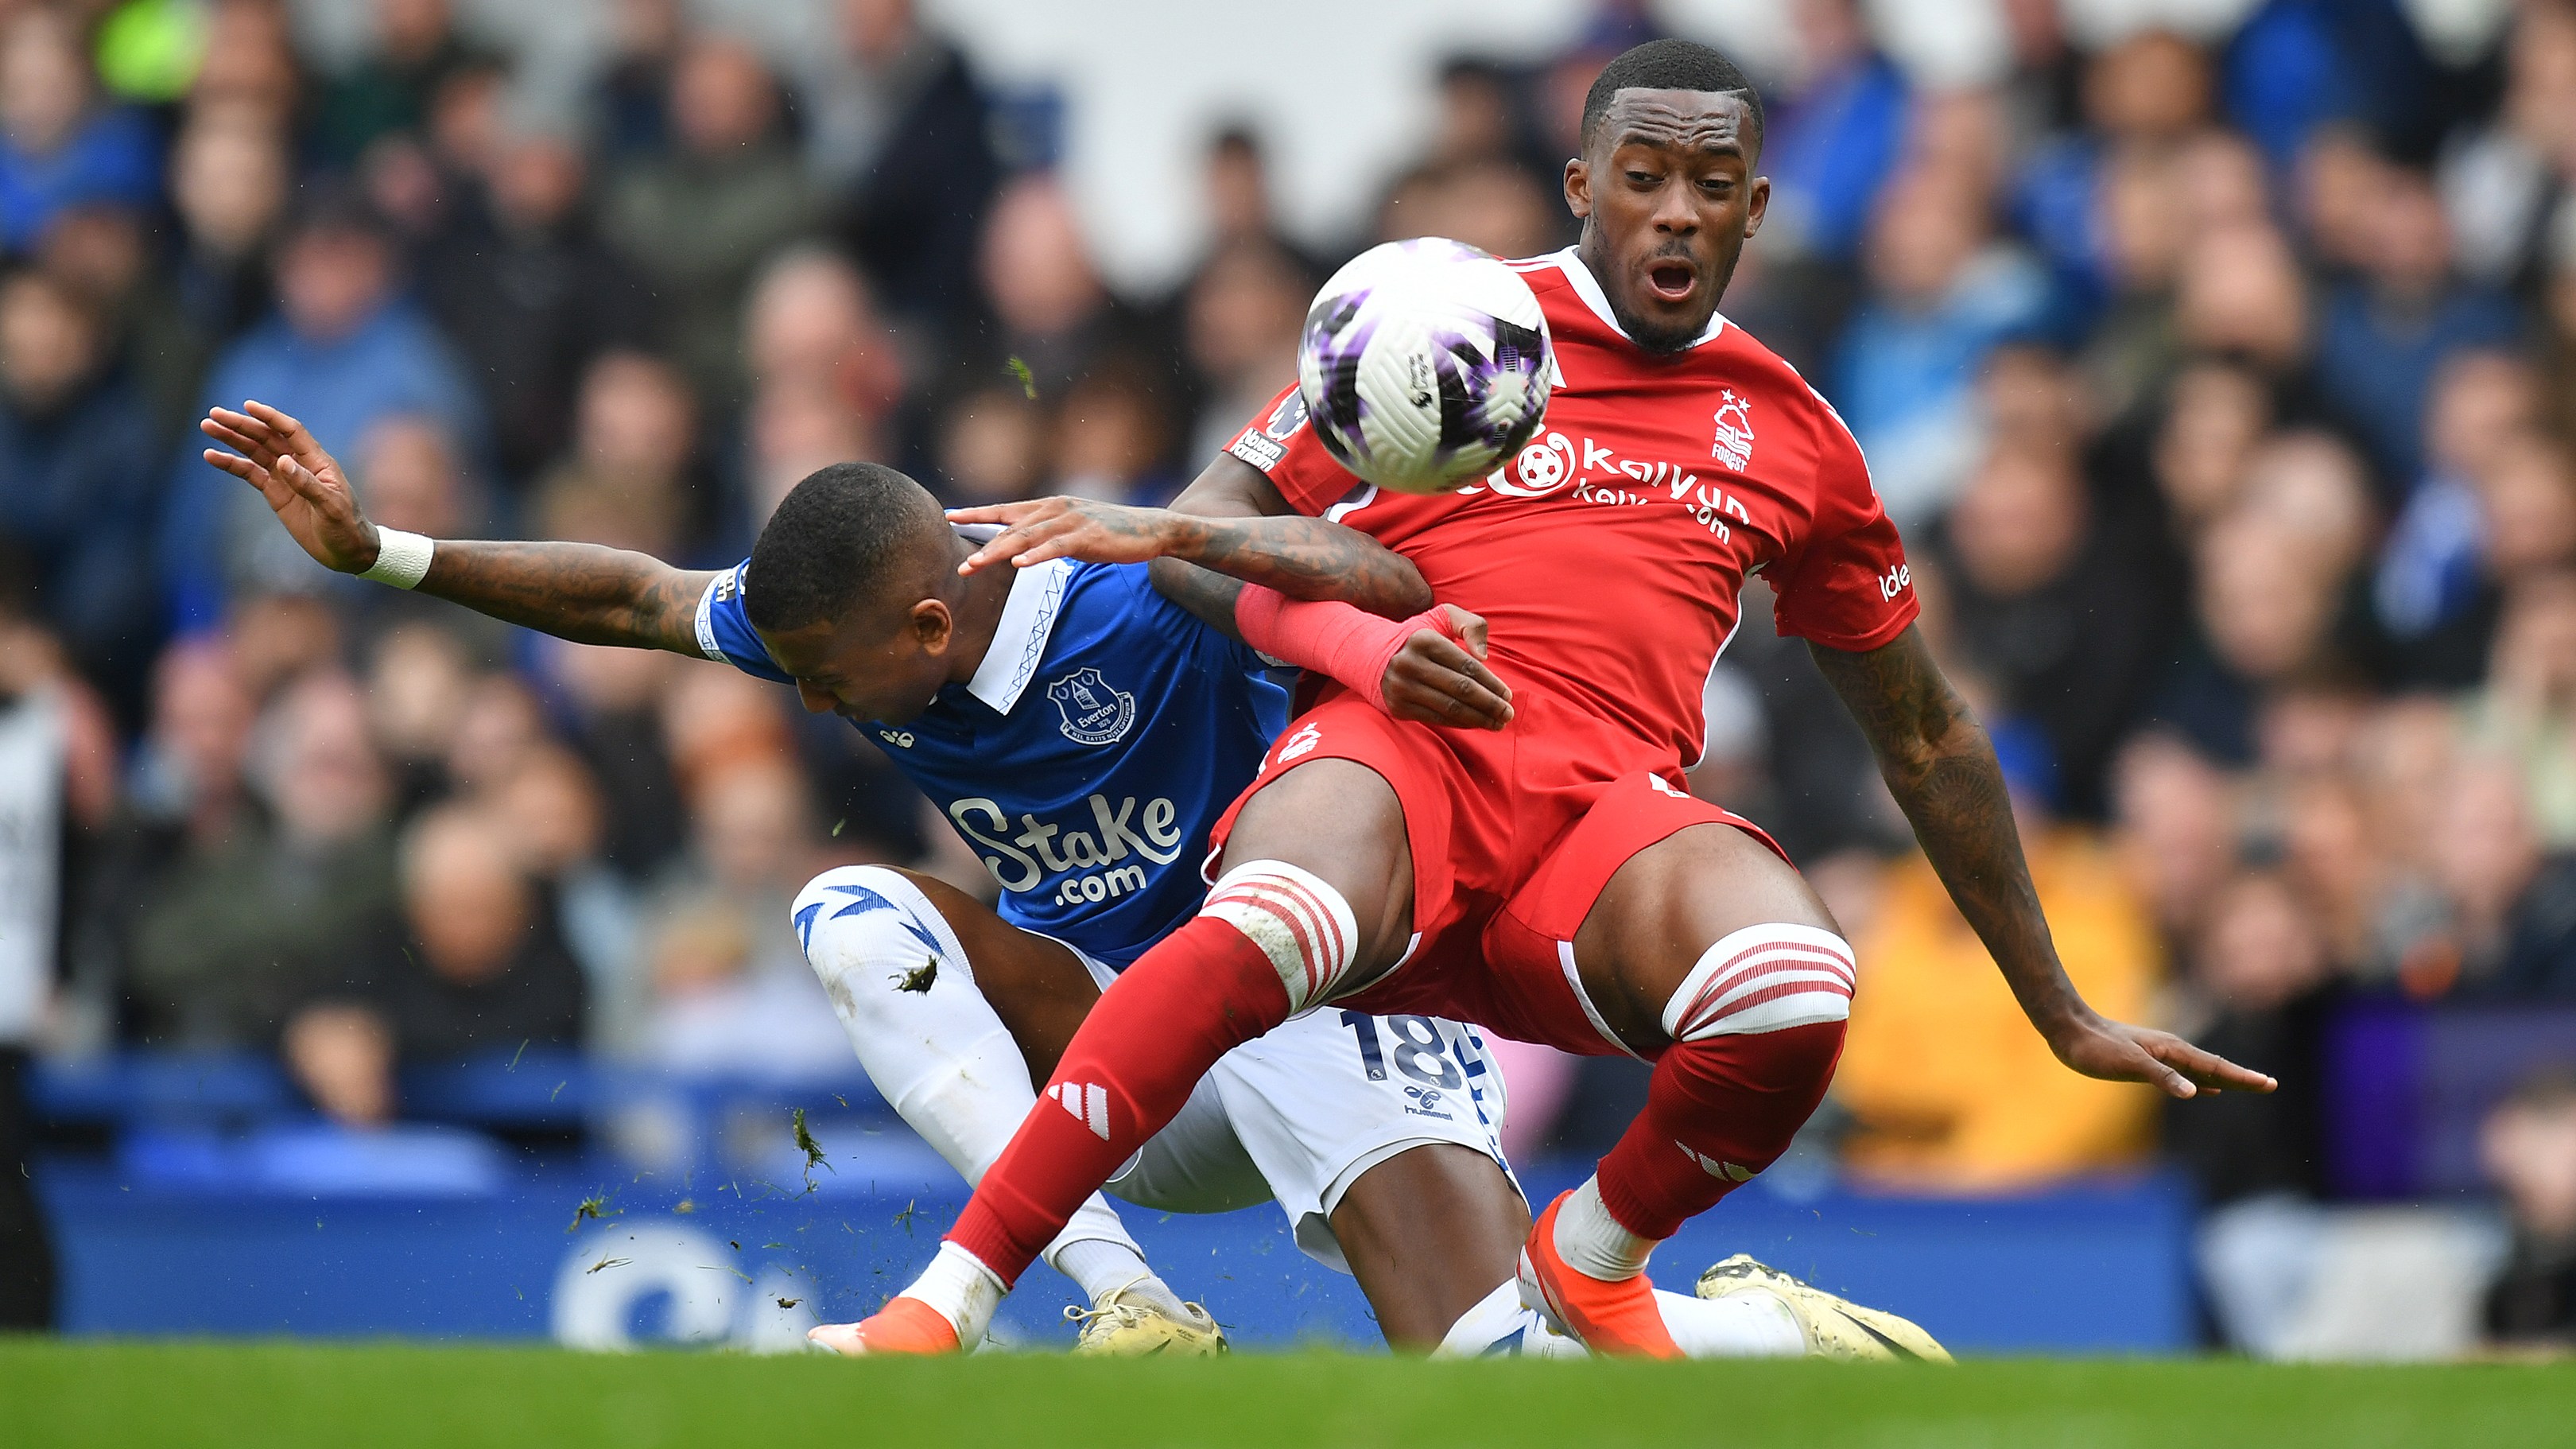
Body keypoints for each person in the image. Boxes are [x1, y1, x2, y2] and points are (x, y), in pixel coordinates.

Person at [854, 37, 2275, 1360]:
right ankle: (942, 1303)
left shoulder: (1793, 432)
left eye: (1710, 188)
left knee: (1795, 987)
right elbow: (1200, 538)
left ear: (1755, 208)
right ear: (1583, 184)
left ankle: (1592, 1257)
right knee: (1264, 924)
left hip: (1600, 823)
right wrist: (1330, 616)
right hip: (1399, 745)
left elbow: (1921, 728)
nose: (1673, 214)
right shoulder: (1437, 323)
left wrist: (2056, 1003)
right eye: (1643, 179)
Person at [198, 402, 1828, 1360]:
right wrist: (382, 553)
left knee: (1499, 1373)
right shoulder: (838, 608)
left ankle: (1764, 1329)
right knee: (852, 911)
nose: (812, 705)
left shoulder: (1127, 594)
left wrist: (1382, 646)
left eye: (829, 679)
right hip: (1115, 1049)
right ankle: (1127, 1301)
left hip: (1314, 980)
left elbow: (1346, 584)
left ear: (927, 626)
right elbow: (634, 595)